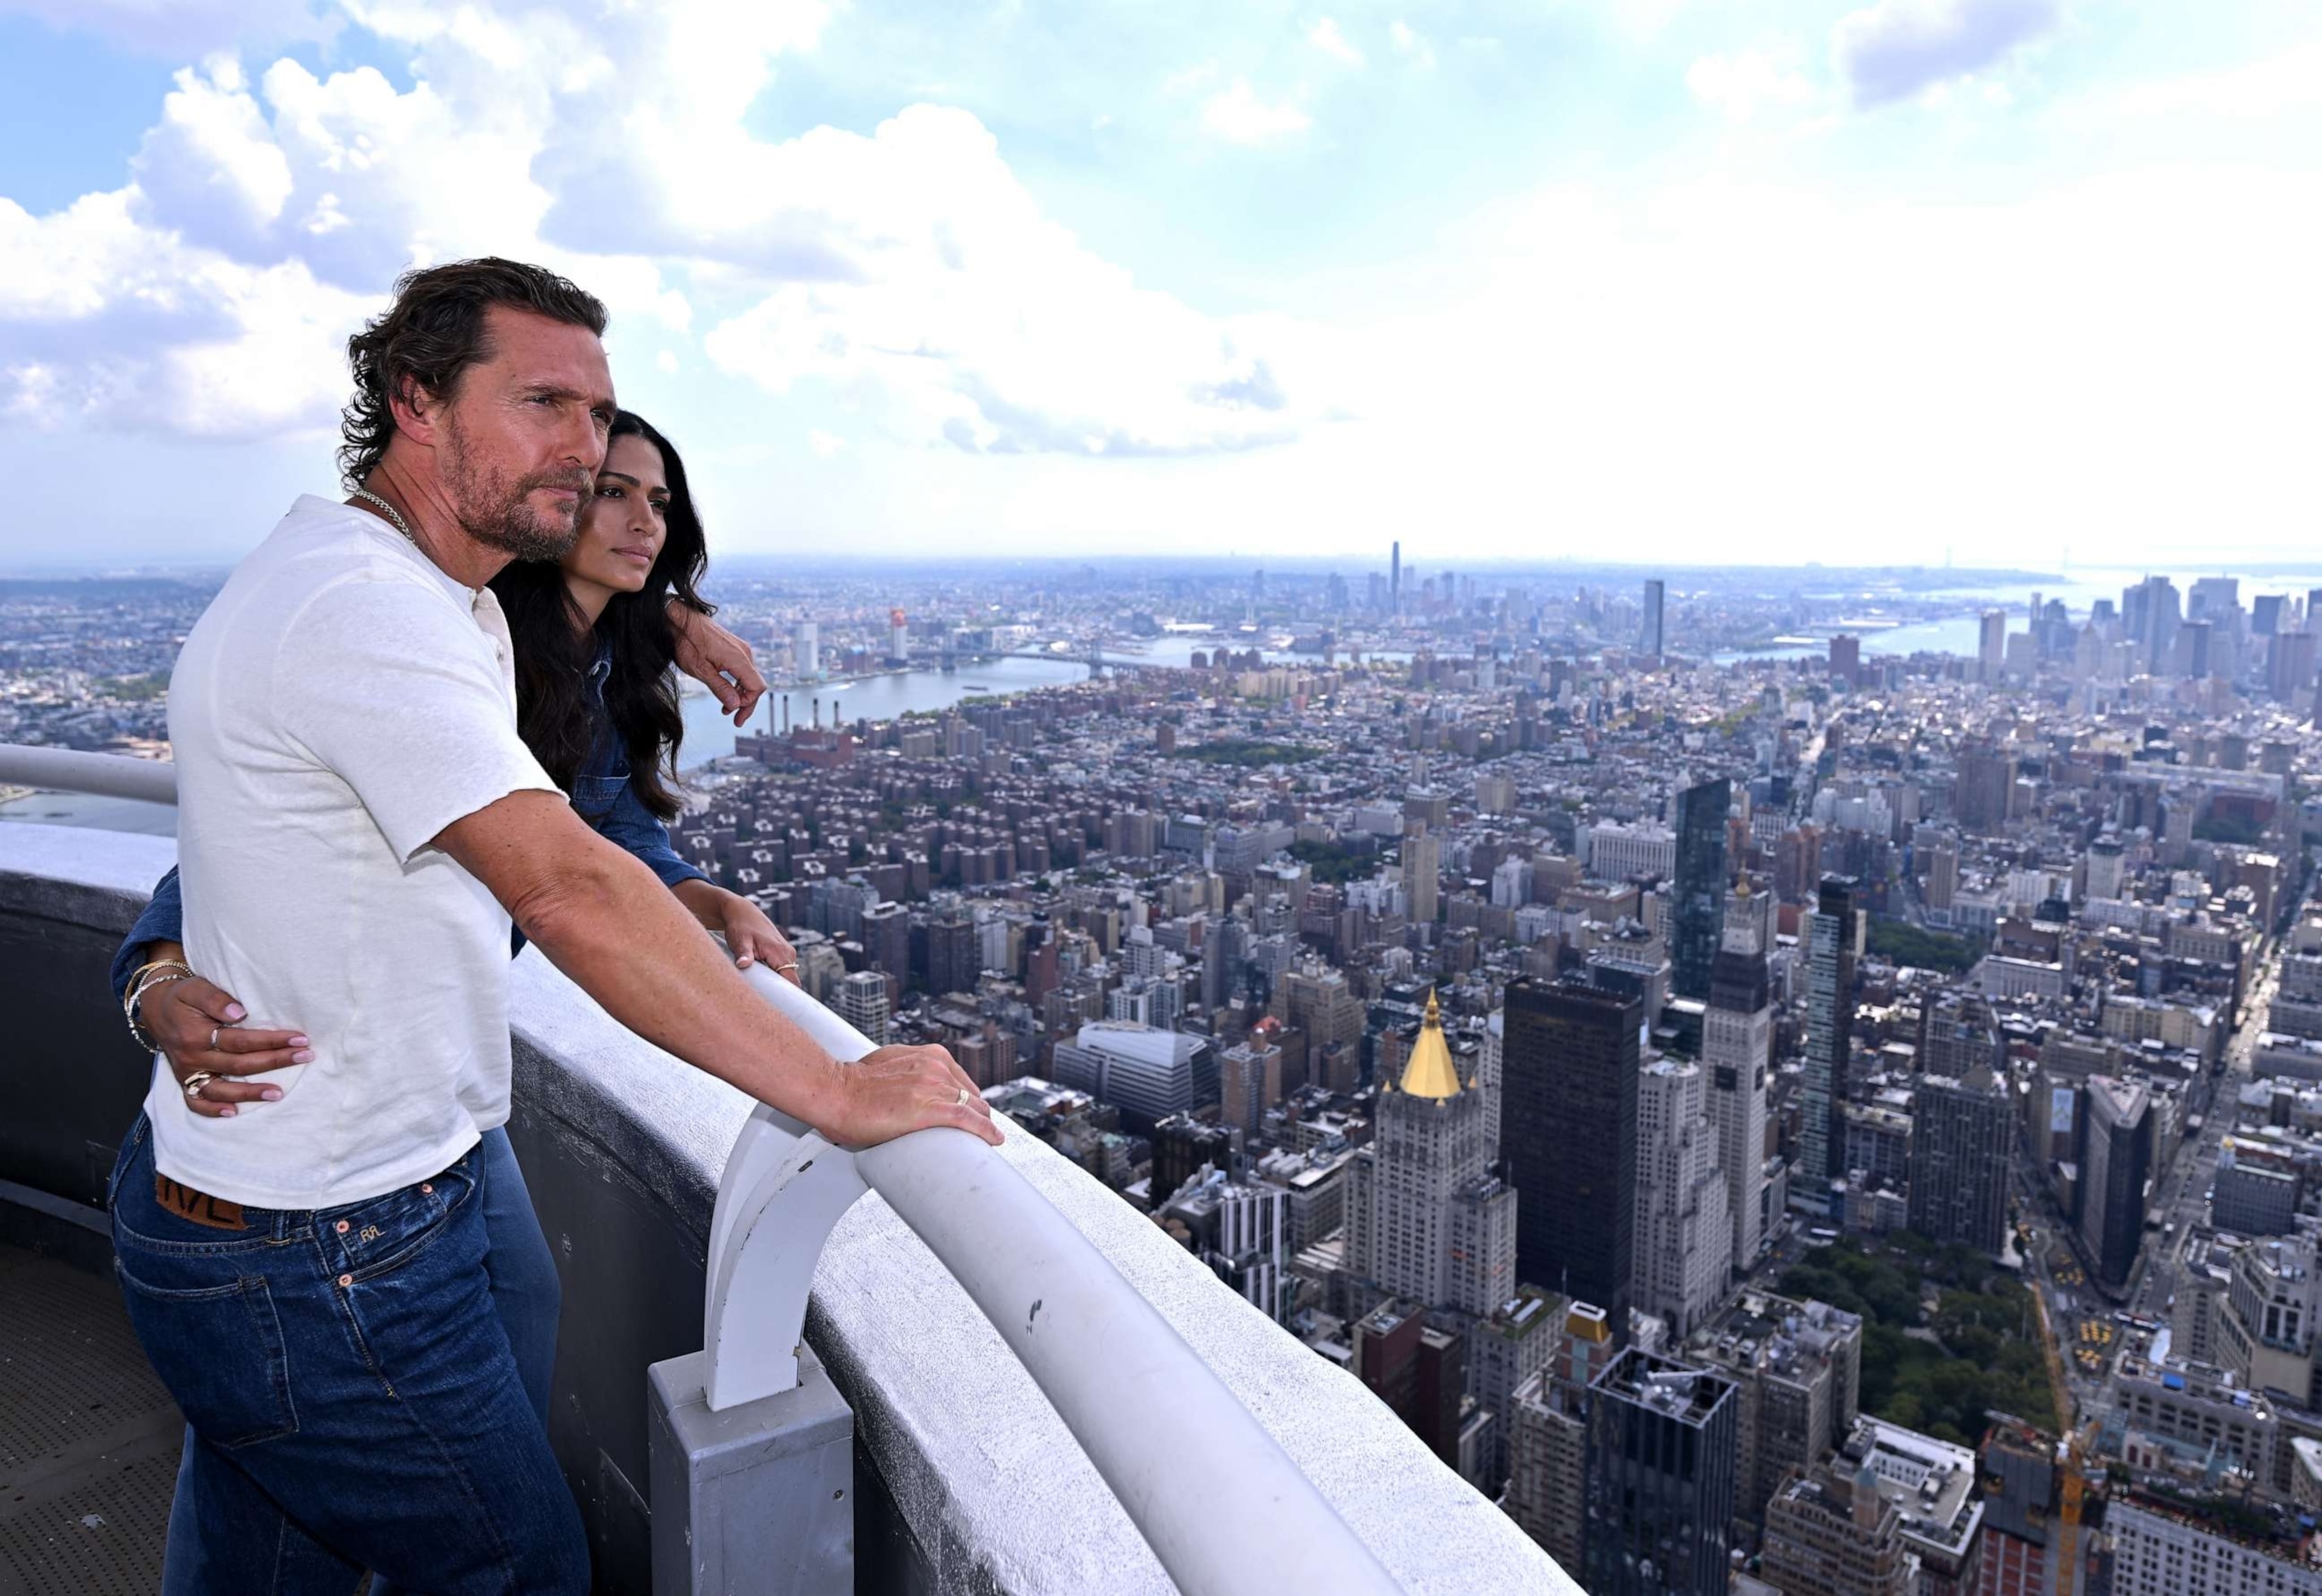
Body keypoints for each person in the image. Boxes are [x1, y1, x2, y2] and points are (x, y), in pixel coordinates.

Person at [107, 257, 1001, 1596]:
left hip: (387, 1175)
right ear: (415, 399)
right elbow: (564, 884)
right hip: (318, 1239)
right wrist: (832, 1086)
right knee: (517, 1568)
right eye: (543, 403)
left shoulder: (438, 595)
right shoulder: (364, 612)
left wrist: (675, 619)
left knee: (265, 1538)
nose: (583, 449)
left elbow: (332, 822)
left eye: (600, 413)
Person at [109, 409, 794, 1490]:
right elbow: (244, 839)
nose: (638, 518)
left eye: (659, 502)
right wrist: (151, 969)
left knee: (328, 1431)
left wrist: (689, 889)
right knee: (424, 1481)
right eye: (608, 489)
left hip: (436, 1087)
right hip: (327, 1114)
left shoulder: (593, 663)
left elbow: (600, 823)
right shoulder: (449, 648)